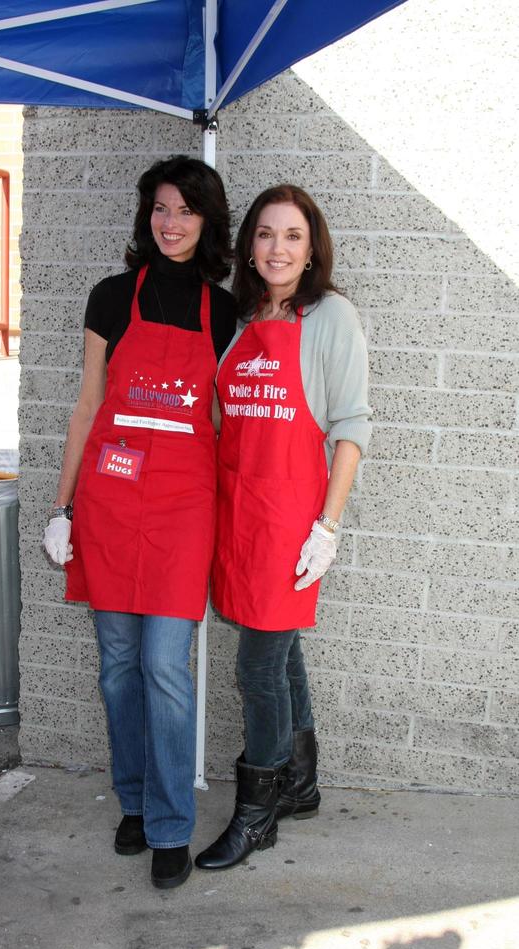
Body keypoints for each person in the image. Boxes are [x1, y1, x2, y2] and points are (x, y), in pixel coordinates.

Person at [42, 156, 235, 890]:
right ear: (145, 215)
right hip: (111, 503)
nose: (171, 222)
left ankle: (170, 825)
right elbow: (88, 407)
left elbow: (228, 423)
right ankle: (133, 800)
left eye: (185, 210)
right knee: (118, 666)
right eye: (160, 207)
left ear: (206, 221)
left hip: (184, 511)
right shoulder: (112, 297)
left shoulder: (224, 312)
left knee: (163, 666)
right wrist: (63, 506)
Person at [195, 184, 372, 871]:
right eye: (265, 235)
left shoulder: (331, 317)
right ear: (249, 247)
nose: (277, 248)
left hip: (290, 525)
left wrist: (327, 527)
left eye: (292, 236)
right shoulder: (241, 320)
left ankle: (256, 811)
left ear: (311, 248)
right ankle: (301, 783)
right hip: (239, 516)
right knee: (281, 650)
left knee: (258, 666)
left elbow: (351, 429)